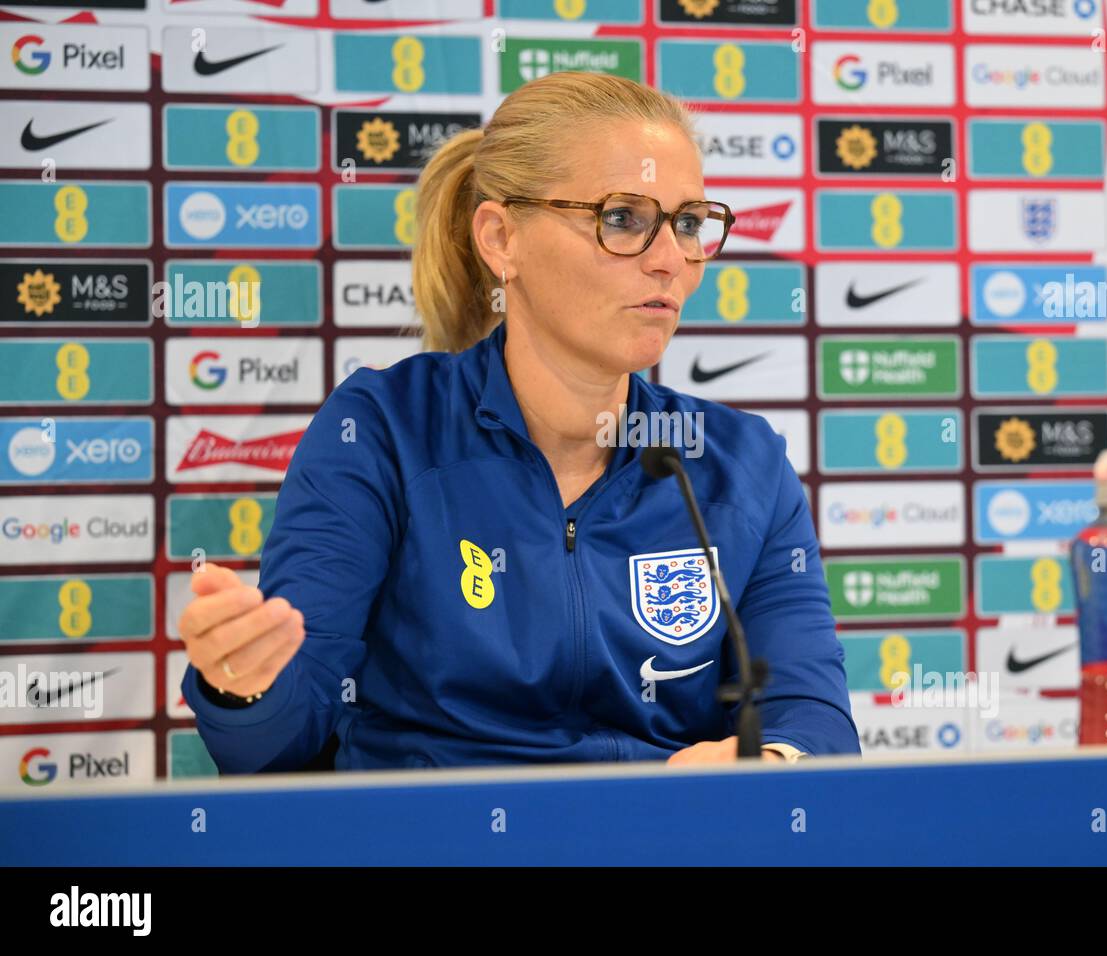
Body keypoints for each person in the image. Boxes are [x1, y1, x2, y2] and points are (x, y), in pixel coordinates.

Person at [178, 71, 860, 772]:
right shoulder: (383, 430)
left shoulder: (739, 464)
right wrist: (245, 686)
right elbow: (274, 748)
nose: (669, 262)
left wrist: (772, 762)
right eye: (623, 218)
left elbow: (816, 722)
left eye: (688, 223)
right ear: (502, 238)